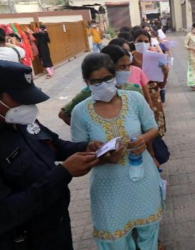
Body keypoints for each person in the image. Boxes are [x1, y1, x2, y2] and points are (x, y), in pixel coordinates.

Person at [0, 60, 115, 250]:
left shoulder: (19, 119)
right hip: (25, 240)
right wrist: (63, 173)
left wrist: (87, 147)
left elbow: (54, 144)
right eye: (20, 98)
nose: (28, 105)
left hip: (57, 225)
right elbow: (5, 213)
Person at [70, 53, 163, 250]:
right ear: (86, 82)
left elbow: (153, 128)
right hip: (107, 187)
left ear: (114, 77)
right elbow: (79, 152)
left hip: (142, 177)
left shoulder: (135, 99)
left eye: (107, 79)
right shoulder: (80, 112)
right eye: (95, 81)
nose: (102, 85)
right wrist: (101, 157)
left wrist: (144, 140)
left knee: (148, 231)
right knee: (114, 237)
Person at [58, 44, 145, 125]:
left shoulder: (134, 90)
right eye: (122, 67)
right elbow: (63, 113)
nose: (127, 71)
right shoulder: (89, 93)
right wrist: (85, 130)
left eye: (128, 66)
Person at [132, 29, 168, 140]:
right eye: (139, 40)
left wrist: (165, 73)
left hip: (153, 98)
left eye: (146, 41)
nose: (143, 43)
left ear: (150, 43)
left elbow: (161, 86)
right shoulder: (128, 59)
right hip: (136, 98)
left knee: (155, 129)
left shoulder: (155, 57)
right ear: (134, 41)